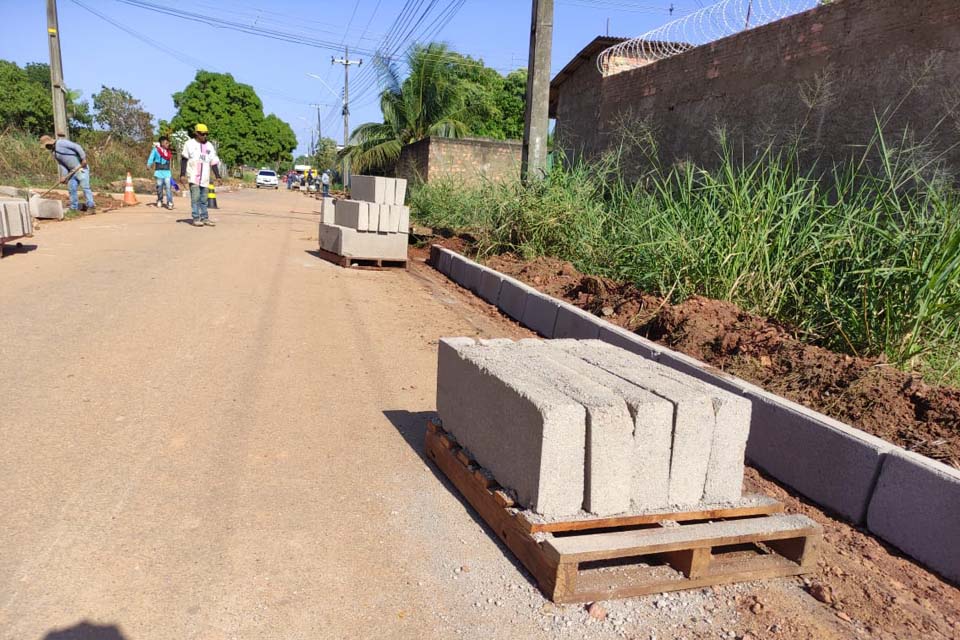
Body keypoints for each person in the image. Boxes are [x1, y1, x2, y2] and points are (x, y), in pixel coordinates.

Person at [40, 135, 95, 213]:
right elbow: (62, 165)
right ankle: (74, 208)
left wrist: (83, 158)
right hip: (72, 172)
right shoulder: (54, 153)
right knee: (71, 188)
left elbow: (77, 147)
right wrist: (64, 176)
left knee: (85, 188)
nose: (47, 148)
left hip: (81, 168)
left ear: (49, 143)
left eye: (47, 146)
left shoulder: (62, 143)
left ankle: (91, 206)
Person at [180, 123, 221, 227]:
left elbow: (213, 162)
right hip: (193, 176)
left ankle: (205, 218)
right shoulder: (189, 144)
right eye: (202, 134)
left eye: (206, 134)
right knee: (195, 198)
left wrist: (218, 176)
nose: (204, 136)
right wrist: (182, 174)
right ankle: (196, 218)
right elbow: (184, 159)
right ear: (196, 133)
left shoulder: (210, 146)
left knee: (204, 200)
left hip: (205, 178)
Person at [146, 136, 174, 209]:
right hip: (159, 172)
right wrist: (149, 164)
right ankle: (160, 200)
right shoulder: (156, 150)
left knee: (168, 187)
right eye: (166, 143)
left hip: (167, 172)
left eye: (168, 143)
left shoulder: (168, 152)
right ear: (162, 143)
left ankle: (170, 202)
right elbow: (151, 157)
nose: (168, 144)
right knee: (159, 187)